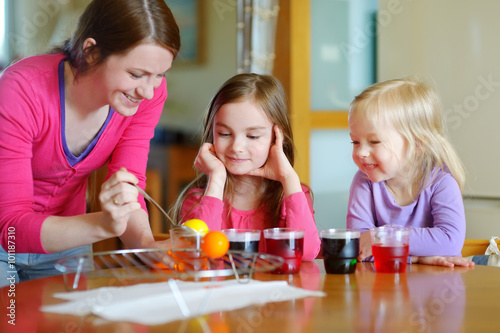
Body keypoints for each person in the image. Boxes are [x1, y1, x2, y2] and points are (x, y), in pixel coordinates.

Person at [0, 0, 181, 286]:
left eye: (160, 75)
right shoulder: (20, 89)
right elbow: (10, 228)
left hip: (69, 239)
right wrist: (103, 225)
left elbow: (129, 185)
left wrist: (146, 245)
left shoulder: (146, 95)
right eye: (136, 74)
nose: (148, 91)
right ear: (91, 51)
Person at [171, 73, 321, 261]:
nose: (236, 147)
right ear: (212, 133)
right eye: (224, 134)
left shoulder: (292, 194)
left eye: (252, 136)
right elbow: (197, 254)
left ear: (276, 138)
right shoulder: (199, 199)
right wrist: (216, 178)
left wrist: (288, 177)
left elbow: (306, 253)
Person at [346, 77, 474, 267]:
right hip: (382, 290)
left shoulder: (441, 183)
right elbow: (359, 248)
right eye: (355, 142)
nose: (361, 152)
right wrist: (418, 258)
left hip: (436, 290)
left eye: (374, 142)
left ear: (417, 144)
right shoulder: (363, 181)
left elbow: (450, 241)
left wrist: (381, 238)